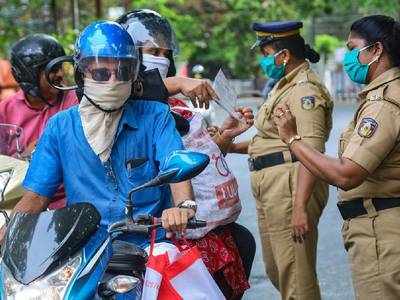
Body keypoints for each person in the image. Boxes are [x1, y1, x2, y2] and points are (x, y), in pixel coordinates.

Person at [7, 21, 196, 252]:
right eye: (101, 73)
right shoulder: (60, 127)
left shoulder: (156, 116)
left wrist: (184, 207)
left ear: (135, 74)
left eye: (123, 71)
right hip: (83, 251)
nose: (113, 81)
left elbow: (176, 167)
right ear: (81, 74)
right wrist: (7, 235)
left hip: (151, 246)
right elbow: (36, 198)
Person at [118, 9, 257, 299]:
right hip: (159, 231)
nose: (160, 58)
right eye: (152, 51)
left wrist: (224, 137)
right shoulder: (123, 104)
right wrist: (180, 83)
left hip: (207, 228)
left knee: (242, 243)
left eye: (164, 52)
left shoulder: (176, 107)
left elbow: (193, 161)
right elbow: (126, 89)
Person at [274, 15, 400, 300]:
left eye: (353, 47)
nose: (348, 56)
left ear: (376, 50)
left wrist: (292, 139)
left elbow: (346, 174)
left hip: (381, 230)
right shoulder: (380, 97)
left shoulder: (383, 104)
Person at [228, 21, 333, 299]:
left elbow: (312, 149)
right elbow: (270, 142)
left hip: (291, 186)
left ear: (283, 55)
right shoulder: (281, 86)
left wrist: (300, 207)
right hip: (271, 187)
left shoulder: (305, 90)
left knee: (296, 279)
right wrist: (230, 144)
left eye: (265, 53)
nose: (263, 60)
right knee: (278, 271)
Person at [0, 34, 78, 209]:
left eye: (60, 67)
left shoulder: (75, 101)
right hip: (18, 201)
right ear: (29, 75)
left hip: (69, 201)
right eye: (52, 69)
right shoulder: (6, 111)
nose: (60, 74)